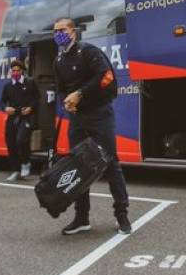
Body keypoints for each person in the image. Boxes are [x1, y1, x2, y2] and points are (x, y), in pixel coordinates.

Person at [52, 17, 131, 235]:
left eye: (62, 30)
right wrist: (66, 102)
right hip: (78, 118)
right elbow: (59, 89)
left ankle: (122, 215)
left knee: (110, 162)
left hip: (99, 114)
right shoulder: (58, 61)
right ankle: (82, 218)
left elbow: (105, 76)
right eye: (55, 30)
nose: (58, 33)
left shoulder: (88, 52)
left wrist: (80, 94)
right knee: (78, 165)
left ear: (73, 32)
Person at [0, 59, 39, 182]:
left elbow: (37, 98)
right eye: (13, 71)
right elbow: (1, 102)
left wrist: (31, 108)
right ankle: (15, 170)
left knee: (21, 140)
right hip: (13, 116)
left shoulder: (30, 82)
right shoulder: (8, 86)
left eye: (18, 70)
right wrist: (6, 108)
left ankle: (26, 163)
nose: (15, 73)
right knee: (10, 142)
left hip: (26, 116)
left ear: (22, 71)